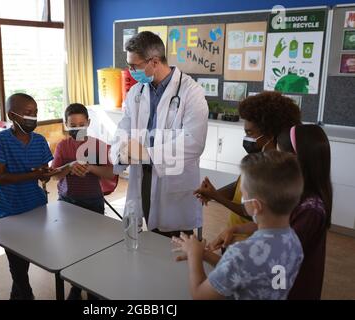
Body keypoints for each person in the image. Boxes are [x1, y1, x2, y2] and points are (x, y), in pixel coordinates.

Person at [110, 31, 208, 237]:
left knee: (177, 246)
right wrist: (121, 151)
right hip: (143, 177)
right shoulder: (136, 92)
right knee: (152, 236)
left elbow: (193, 142)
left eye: (134, 65)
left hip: (174, 181)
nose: (130, 70)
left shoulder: (191, 92)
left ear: (153, 62)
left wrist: (147, 153)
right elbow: (123, 128)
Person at [173, 150, 304, 300]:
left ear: (254, 205)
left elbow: (200, 295)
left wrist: (194, 254)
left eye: (243, 194)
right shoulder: (294, 241)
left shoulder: (241, 252)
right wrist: (205, 254)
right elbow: (244, 272)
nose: (241, 197)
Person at [194, 92, 301, 242]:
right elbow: (239, 184)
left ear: (269, 135)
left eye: (250, 133)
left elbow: (251, 211)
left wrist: (217, 197)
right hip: (234, 235)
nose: (246, 138)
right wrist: (213, 193)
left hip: (250, 242)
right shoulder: (257, 158)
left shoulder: (276, 170)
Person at [0, 93, 58, 300]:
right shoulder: (0, 140)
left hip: (35, 205)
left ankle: (17, 295)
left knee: (27, 253)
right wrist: (34, 174)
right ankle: (25, 294)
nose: (33, 117)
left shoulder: (39, 140)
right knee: (16, 261)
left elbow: (43, 173)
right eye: (28, 113)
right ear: (12, 115)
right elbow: (0, 177)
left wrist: (47, 174)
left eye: (35, 113)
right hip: (9, 206)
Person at [51, 103, 115, 300]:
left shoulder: (97, 146)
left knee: (93, 248)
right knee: (72, 248)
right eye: (73, 125)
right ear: (66, 125)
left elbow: (110, 172)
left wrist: (91, 168)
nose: (77, 128)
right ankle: (76, 285)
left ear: (88, 123)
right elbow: (54, 175)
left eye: (81, 124)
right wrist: (70, 166)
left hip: (93, 202)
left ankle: (93, 285)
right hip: (67, 203)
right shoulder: (63, 146)